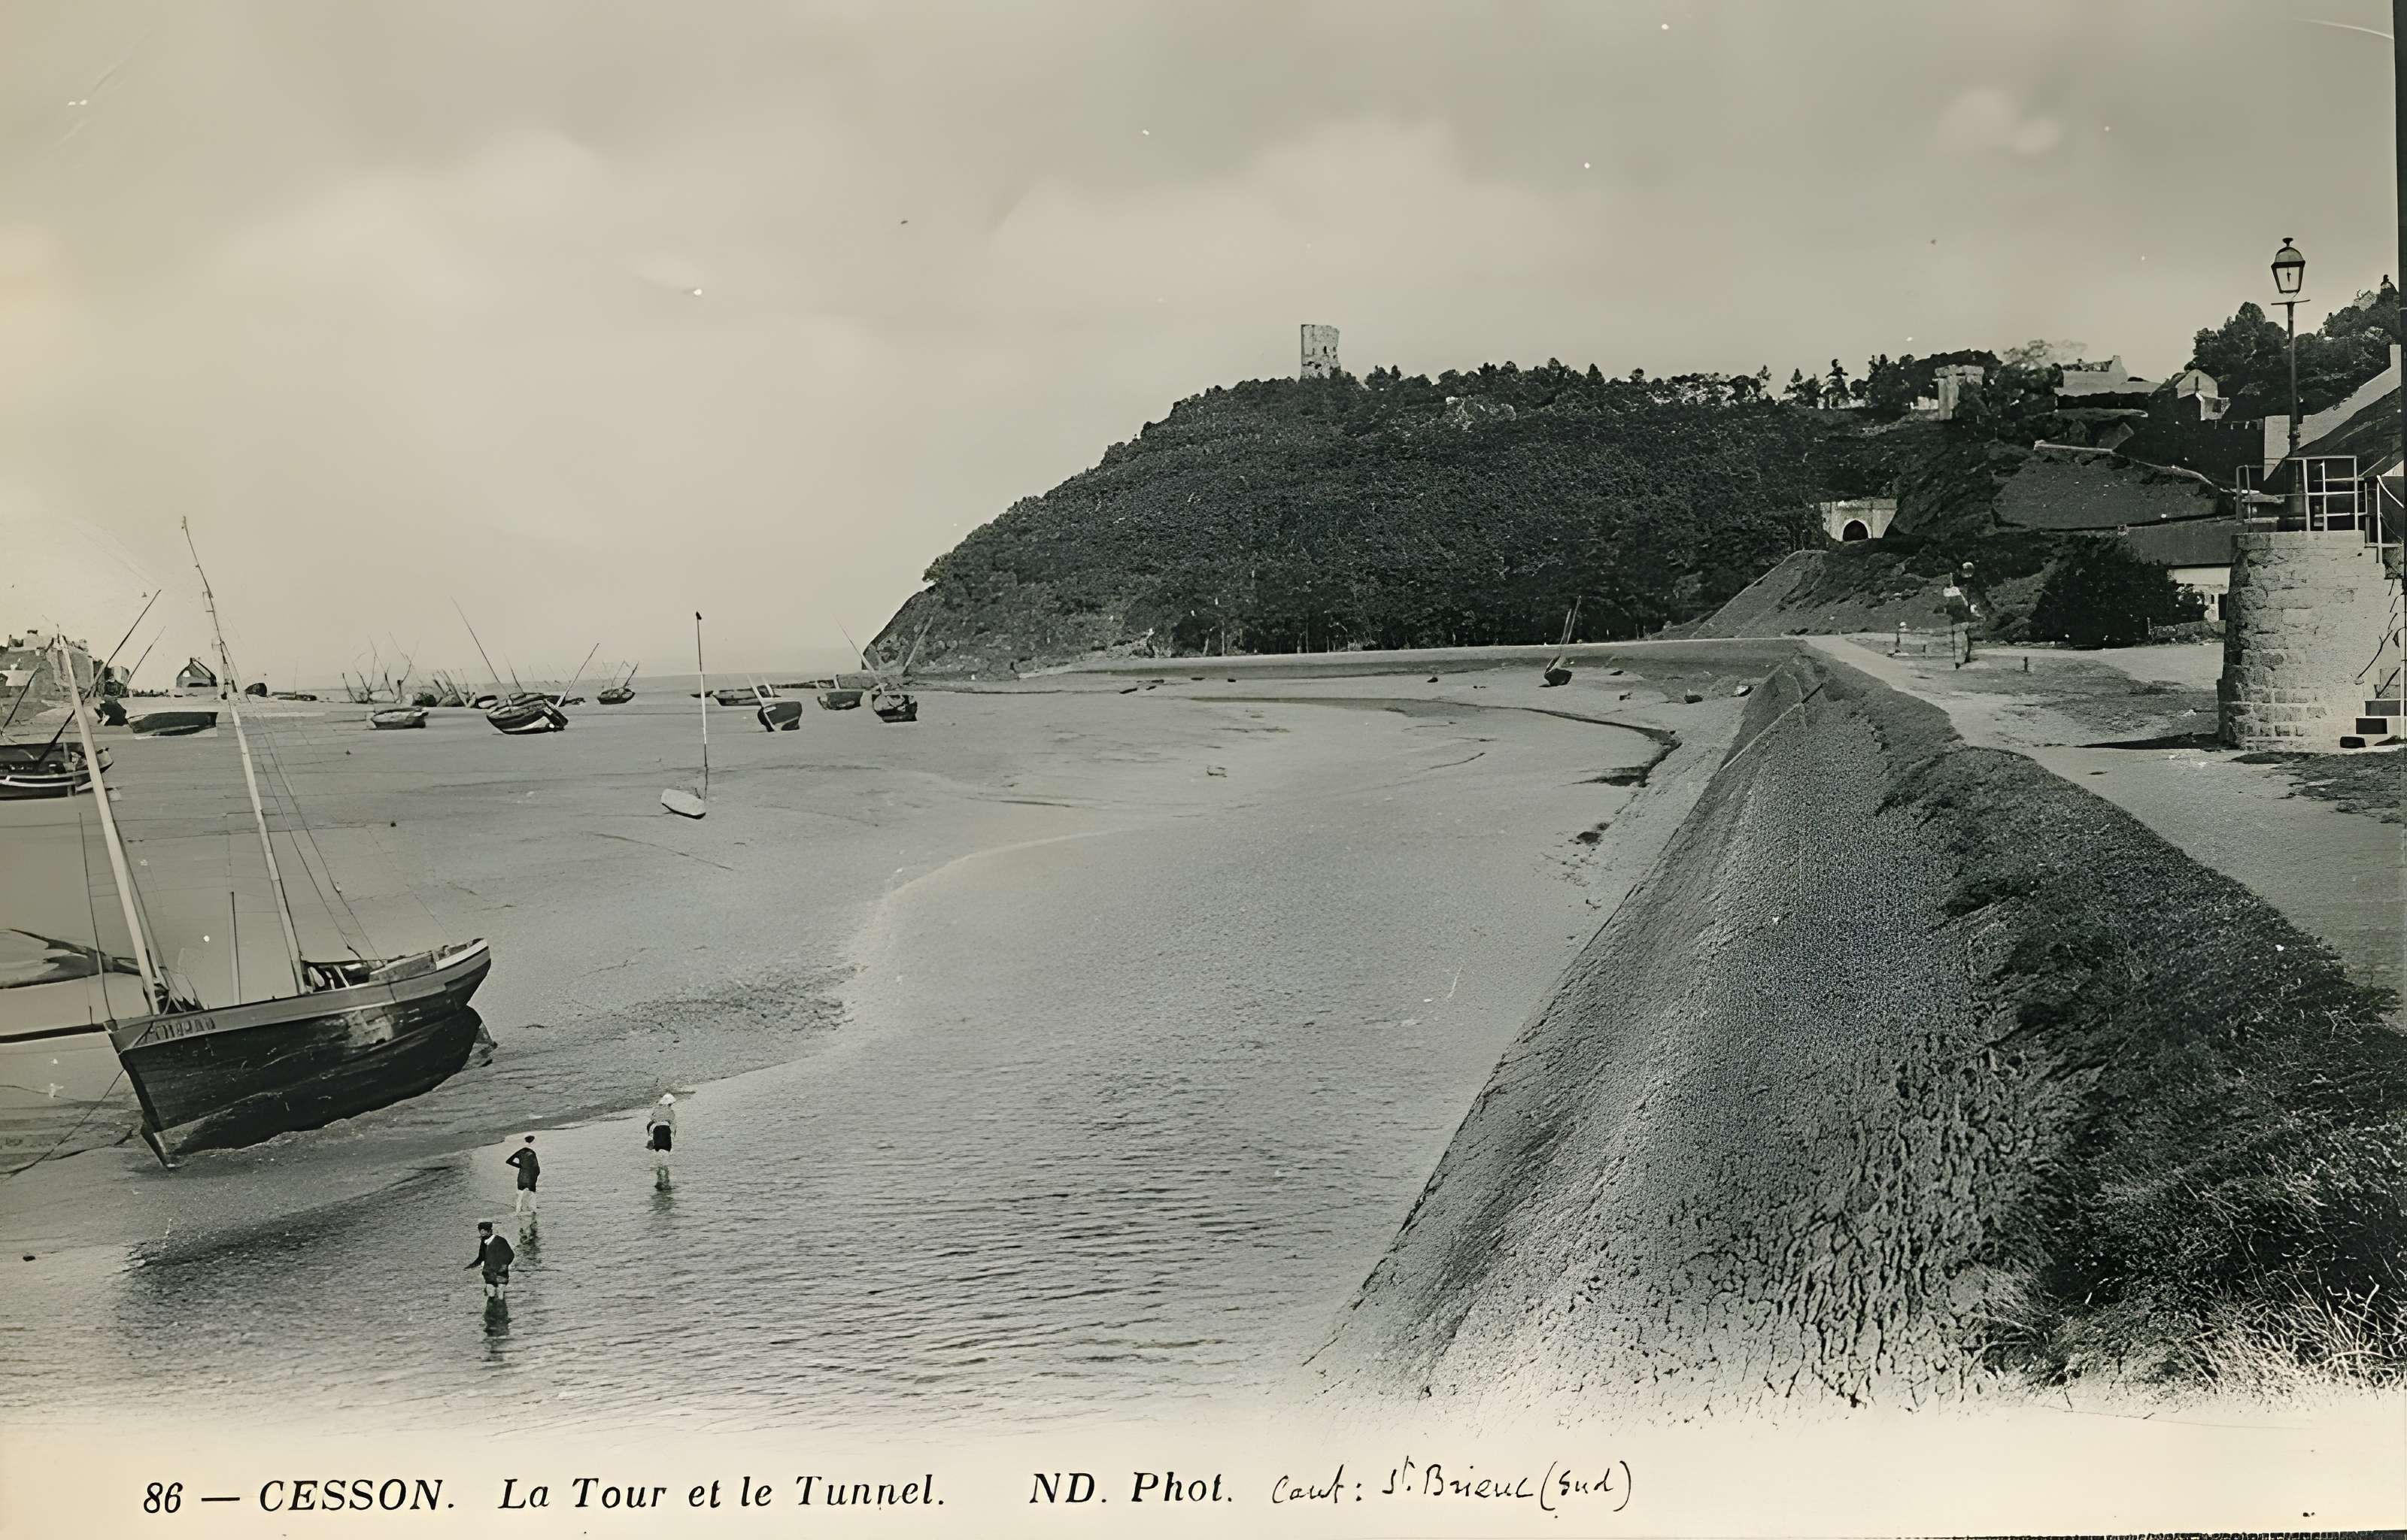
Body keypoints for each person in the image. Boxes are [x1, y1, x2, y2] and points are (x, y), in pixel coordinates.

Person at [466, 1221, 515, 1299]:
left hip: (501, 1272)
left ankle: (497, 1305)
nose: (482, 1232)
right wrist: (470, 1266)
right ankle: (495, 1306)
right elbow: (481, 1257)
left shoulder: (500, 1241)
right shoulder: (483, 1242)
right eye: (480, 1230)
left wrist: (504, 1266)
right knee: (491, 1293)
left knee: (500, 1293)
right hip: (489, 1272)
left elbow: (510, 1255)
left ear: (490, 1231)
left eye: (484, 1230)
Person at [645, 1094, 677, 1190]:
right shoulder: (671, 1112)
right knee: (666, 1157)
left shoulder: (656, 1110)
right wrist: (673, 1137)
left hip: (656, 1132)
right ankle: (666, 1179)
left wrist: (650, 1136)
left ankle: (659, 1179)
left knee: (658, 1154)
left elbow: (650, 1123)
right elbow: (674, 1126)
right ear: (670, 1104)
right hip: (666, 1132)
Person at [506, 1135, 541, 1215]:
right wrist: (536, 1175)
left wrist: (520, 1166)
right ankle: (533, 1210)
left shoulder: (520, 1152)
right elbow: (536, 1167)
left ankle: (518, 1211)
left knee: (520, 1194)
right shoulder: (532, 1153)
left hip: (521, 1176)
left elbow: (509, 1161)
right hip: (530, 1177)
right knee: (532, 1194)